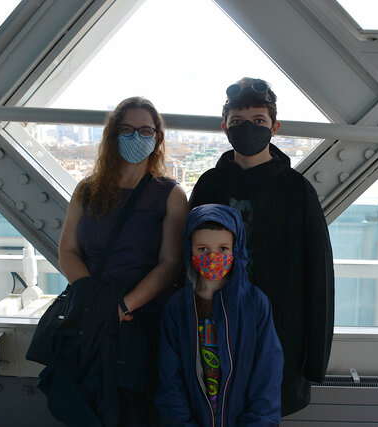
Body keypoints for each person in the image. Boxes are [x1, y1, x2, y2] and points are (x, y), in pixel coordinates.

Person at [188, 77, 335, 416]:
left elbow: (318, 271)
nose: (247, 129)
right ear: (224, 127)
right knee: (214, 410)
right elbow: (187, 259)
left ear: (275, 126)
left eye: (258, 121)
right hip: (214, 323)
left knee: (260, 412)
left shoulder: (296, 190)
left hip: (277, 329)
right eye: (238, 122)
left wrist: (314, 361)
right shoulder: (210, 184)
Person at [55, 96, 188, 425]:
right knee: (86, 405)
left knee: (136, 409)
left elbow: (170, 264)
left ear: (157, 137)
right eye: (127, 129)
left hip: (142, 322)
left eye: (145, 131)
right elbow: (67, 251)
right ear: (113, 134)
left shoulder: (170, 194)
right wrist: (95, 301)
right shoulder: (86, 190)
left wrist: (124, 307)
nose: (136, 138)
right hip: (91, 313)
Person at [156, 203, 283, 426]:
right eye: (203, 249)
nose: (213, 257)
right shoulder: (177, 309)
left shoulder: (255, 305)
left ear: (237, 248)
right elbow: (170, 384)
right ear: (189, 250)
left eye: (223, 249)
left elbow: (267, 378)